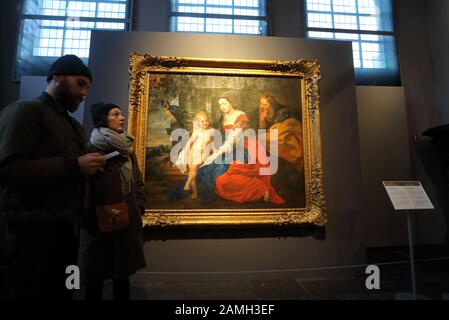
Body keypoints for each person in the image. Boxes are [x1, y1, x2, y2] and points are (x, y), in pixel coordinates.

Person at [0, 54, 105, 299]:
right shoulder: (27, 111)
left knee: (66, 289)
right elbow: (7, 169)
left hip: (68, 230)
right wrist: (74, 166)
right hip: (34, 233)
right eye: (80, 83)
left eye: (88, 87)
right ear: (57, 77)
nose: (84, 93)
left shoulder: (72, 125)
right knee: (35, 291)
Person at [78, 102, 146, 300]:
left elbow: (137, 178)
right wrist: (89, 214)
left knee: (121, 273)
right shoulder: (91, 148)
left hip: (126, 219)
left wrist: (139, 205)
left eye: (121, 114)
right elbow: (84, 186)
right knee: (95, 275)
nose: (122, 117)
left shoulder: (127, 150)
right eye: (115, 114)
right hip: (98, 222)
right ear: (102, 119)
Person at [198, 93, 284, 204]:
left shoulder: (241, 116)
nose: (222, 107)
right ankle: (206, 197)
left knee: (220, 171)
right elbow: (217, 133)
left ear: (231, 102)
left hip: (245, 148)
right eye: (220, 105)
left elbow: (233, 140)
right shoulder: (223, 118)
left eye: (225, 103)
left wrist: (217, 153)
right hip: (230, 149)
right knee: (207, 170)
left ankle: (260, 190)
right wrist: (206, 142)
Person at [258, 93, 305, 204]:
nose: (262, 106)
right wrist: (261, 121)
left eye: (264, 103)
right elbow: (264, 134)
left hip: (288, 145)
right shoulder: (267, 114)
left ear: (272, 104)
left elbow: (280, 133)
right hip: (276, 147)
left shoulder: (283, 114)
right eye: (261, 103)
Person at [176, 110, 216, 200]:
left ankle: (187, 184)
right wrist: (185, 153)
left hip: (204, 153)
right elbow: (189, 142)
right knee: (192, 172)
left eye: (206, 120)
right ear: (198, 123)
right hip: (193, 151)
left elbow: (213, 139)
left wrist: (212, 148)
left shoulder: (212, 130)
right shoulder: (197, 131)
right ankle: (195, 193)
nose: (205, 123)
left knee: (194, 168)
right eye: (202, 121)